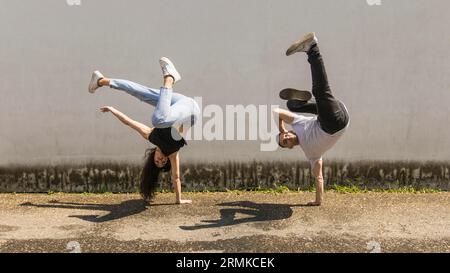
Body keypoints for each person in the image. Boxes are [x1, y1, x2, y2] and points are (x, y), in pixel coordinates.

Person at [88, 57, 200, 204]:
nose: (161, 160)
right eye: (163, 162)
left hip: (178, 105)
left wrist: (113, 109)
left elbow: (129, 122)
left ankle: (101, 81)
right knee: (158, 120)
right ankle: (169, 78)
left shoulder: (150, 135)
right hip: (191, 112)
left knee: (140, 93)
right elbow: (176, 177)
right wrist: (179, 200)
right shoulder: (173, 153)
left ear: (153, 156)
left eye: (157, 162)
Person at [274, 32, 350, 206]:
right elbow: (319, 177)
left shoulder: (298, 124)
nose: (285, 139)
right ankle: (312, 48)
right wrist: (318, 201)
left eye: (284, 137)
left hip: (331, 111)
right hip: (335, 123)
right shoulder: (311, 154)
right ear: (291, 147)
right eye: (285, 142)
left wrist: (281, 129)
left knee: (292, 106)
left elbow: (276, 112)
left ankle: (303, 101)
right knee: (320, 92)